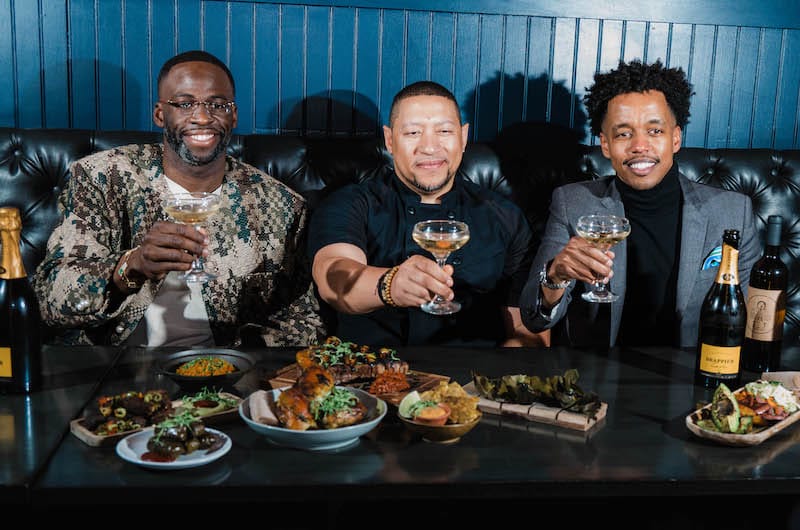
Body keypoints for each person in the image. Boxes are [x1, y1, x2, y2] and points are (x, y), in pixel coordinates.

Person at [33, 50, 325, 347]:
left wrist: (243, 356)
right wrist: (130, 265)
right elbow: (51, 299)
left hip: (226, 374)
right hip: (118, 367)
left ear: (233, 115)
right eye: (184, 104)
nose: (202, 117)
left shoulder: (281, 205)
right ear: (160, 114)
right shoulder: (104, 179)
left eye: (217, 104)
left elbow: (304, 321)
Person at [519, 58, 760, 348]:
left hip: (695, 377)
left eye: (655, 131)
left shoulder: (733, 212)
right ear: (606, 144)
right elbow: (535, 319)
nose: (639, 146)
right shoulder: (573, 202)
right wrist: (556, 275)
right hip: (596, 378)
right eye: (623, 133)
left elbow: (752, 321)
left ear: (676, 138)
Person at [308, 80, 546, 347]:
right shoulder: (352, 203)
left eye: (444, 131)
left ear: (463, 137)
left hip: (472, 377)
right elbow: (333, 278)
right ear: (389, 140)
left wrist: (497, 376)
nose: (429, 147)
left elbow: (529, 331)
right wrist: (389, 285)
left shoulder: (506, 217)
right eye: (412, 133)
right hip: (371, 375)